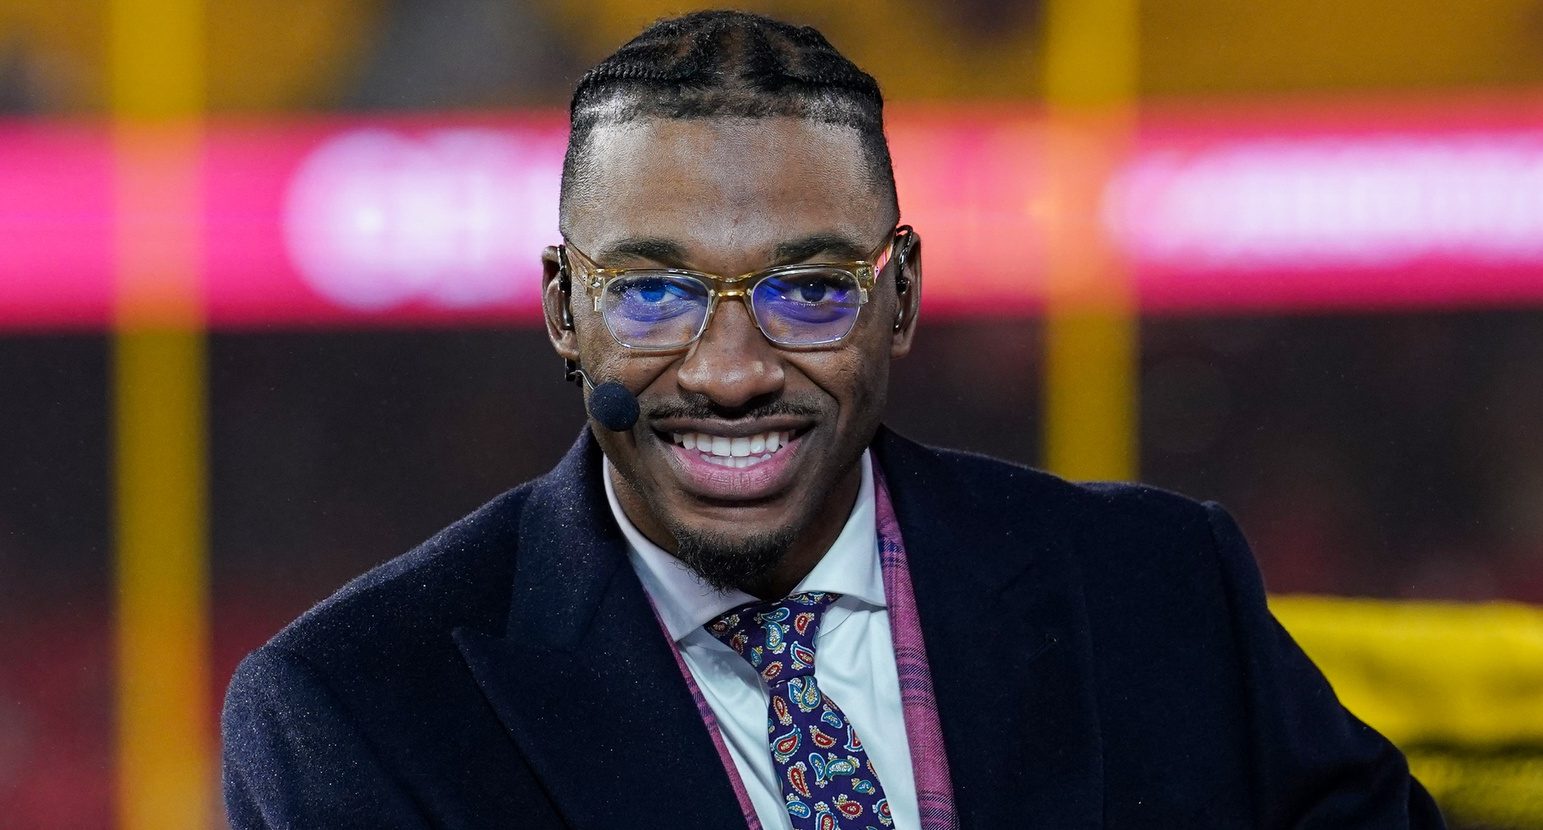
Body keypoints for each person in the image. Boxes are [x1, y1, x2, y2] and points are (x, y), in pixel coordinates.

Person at [221, 10, 1444, 829]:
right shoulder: (352, 709)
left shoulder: (1159, 590)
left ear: (899, 296)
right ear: (563, 310)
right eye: (654, 291)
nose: (733, 369)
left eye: (809, 290)